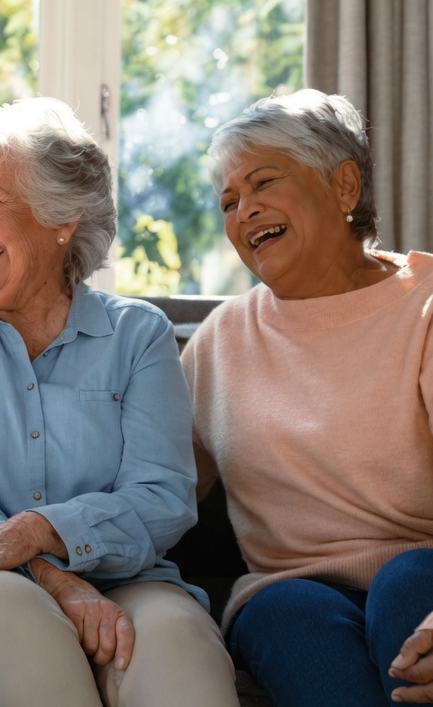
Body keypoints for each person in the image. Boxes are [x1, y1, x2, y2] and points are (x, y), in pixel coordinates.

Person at [0, 98, 239, 707]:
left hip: (129, 577)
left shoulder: (137, 335)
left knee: (181, 662)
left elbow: (162, 495)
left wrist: (45, 530)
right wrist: (47, 570)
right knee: (24, 646)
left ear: (62, 218)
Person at [182, 88, 433, 706]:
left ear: (344, 186)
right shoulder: (221, 340)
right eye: (229, 201)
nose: (245, 211)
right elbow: (156, 488)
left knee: (407, 584)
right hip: (287, 589)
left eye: (265, 182)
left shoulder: (424, 310)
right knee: (285, 611)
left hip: (424, 574)